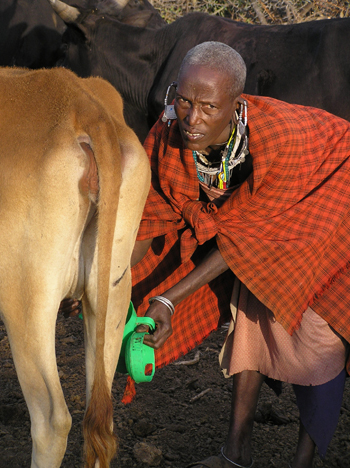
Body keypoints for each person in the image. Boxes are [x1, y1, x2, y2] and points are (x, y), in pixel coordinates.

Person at [61, 41, 350, 468]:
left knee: (318, 334)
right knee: (250, 317)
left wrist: (167, 300)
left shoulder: (280, 141)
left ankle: (303, 459)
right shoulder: (169, 134)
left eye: (209, 108)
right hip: (258, 229)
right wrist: (99, 277)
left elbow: (245, 240)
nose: (192, 119)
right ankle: (236, 453)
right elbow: (153, 218)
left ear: (236, 105)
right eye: (184, 101)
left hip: (329, 205)